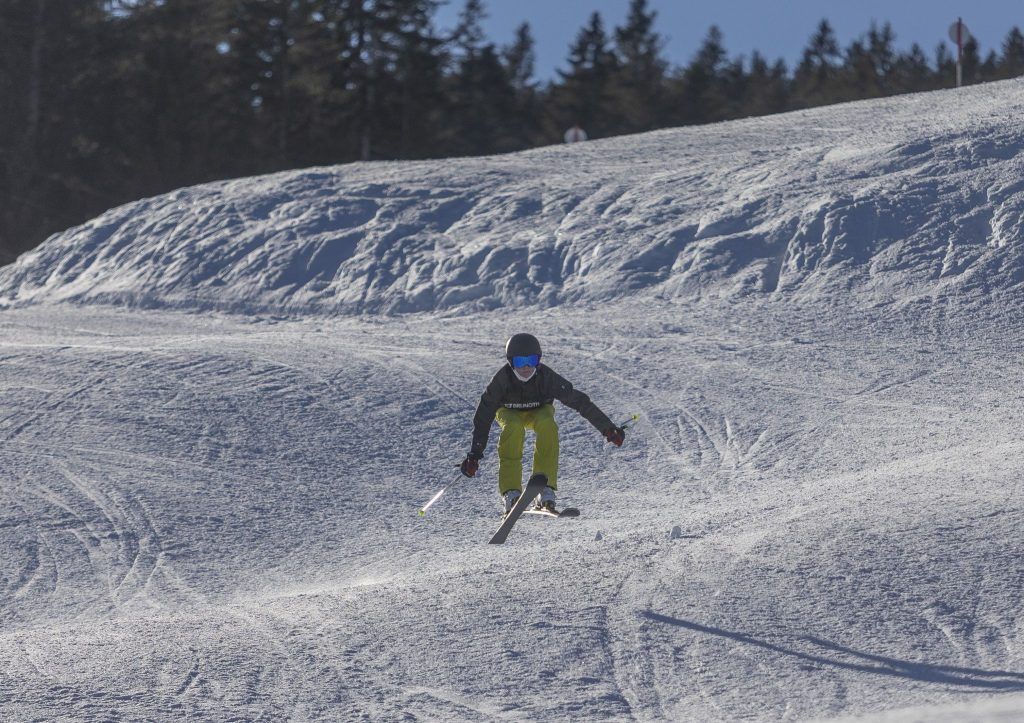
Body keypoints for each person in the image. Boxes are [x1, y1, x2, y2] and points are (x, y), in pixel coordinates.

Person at [460, 333, 625, 515]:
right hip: (508, 411)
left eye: (531, 360)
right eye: (520, 362)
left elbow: (579, 401)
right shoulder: (501, 380)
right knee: (513, 428)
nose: (526, 367)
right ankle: (511, 492)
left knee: (548, 425)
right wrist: (475, 453)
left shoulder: (547, 377)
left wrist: (607, 428)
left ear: (538, 360)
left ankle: (544, 489)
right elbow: (483, 416)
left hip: (539, 410)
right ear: (510, 362)